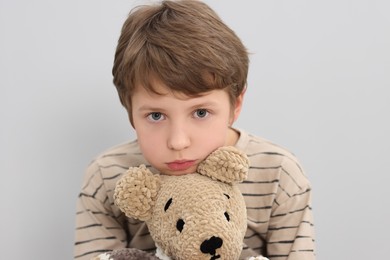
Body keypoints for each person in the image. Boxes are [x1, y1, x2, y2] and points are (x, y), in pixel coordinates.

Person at [74, 1, 316, 259]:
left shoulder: (279, 175)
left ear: (235, 105)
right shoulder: (107, 177)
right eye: (156, 115)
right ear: (130, 112)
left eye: (200, 113)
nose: (178, 142)